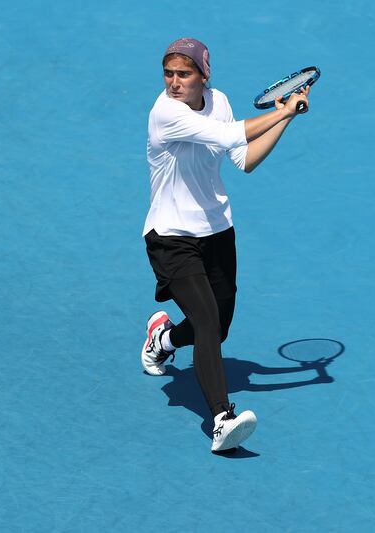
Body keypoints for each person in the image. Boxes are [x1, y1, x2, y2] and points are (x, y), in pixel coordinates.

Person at [140, 37, 311, 452]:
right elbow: (230, 134)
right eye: (169, 73)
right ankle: (221, 419)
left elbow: (244, 158)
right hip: (171, 237)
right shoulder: (165, 113)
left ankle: (161, 340)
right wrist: (284, 108)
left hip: (217, 232)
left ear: (204, 75)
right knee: (206, 322)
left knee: (218, 325)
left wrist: (285, 119)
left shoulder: (220, 101)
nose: (174, 82)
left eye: (184, 74)